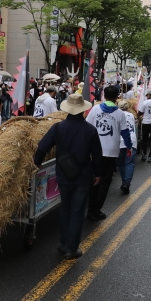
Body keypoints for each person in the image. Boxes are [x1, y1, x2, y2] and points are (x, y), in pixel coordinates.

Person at [34, 93, 102, 260]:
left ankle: (63, 243)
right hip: (83, 176)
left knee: (65, 209)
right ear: (83, 110)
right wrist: (98, 173)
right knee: (77, 211)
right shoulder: (90, 130)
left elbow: (41, 147)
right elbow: (97, 155)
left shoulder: (57, 128)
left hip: (63, 175)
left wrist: (37, 163)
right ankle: (72, 248)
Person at [86, 85, 133, 221]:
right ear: (117, 97)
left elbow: (87, 127)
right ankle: (96, 210)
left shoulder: (95, 109)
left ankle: (90, 208)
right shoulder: (120, 114)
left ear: (104, 96)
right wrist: (129, 147)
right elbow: (125, 133)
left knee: (93, 180)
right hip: (110, 152)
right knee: (105, 182)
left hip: (94, 151)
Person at [116, 100, 137, 194]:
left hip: (119, 142)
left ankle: (124, 181)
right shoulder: (131, 115)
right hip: (131, 141)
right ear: (128, 107)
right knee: (129, 163)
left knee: (121, 163)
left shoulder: (116, 115)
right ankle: (126, 183)